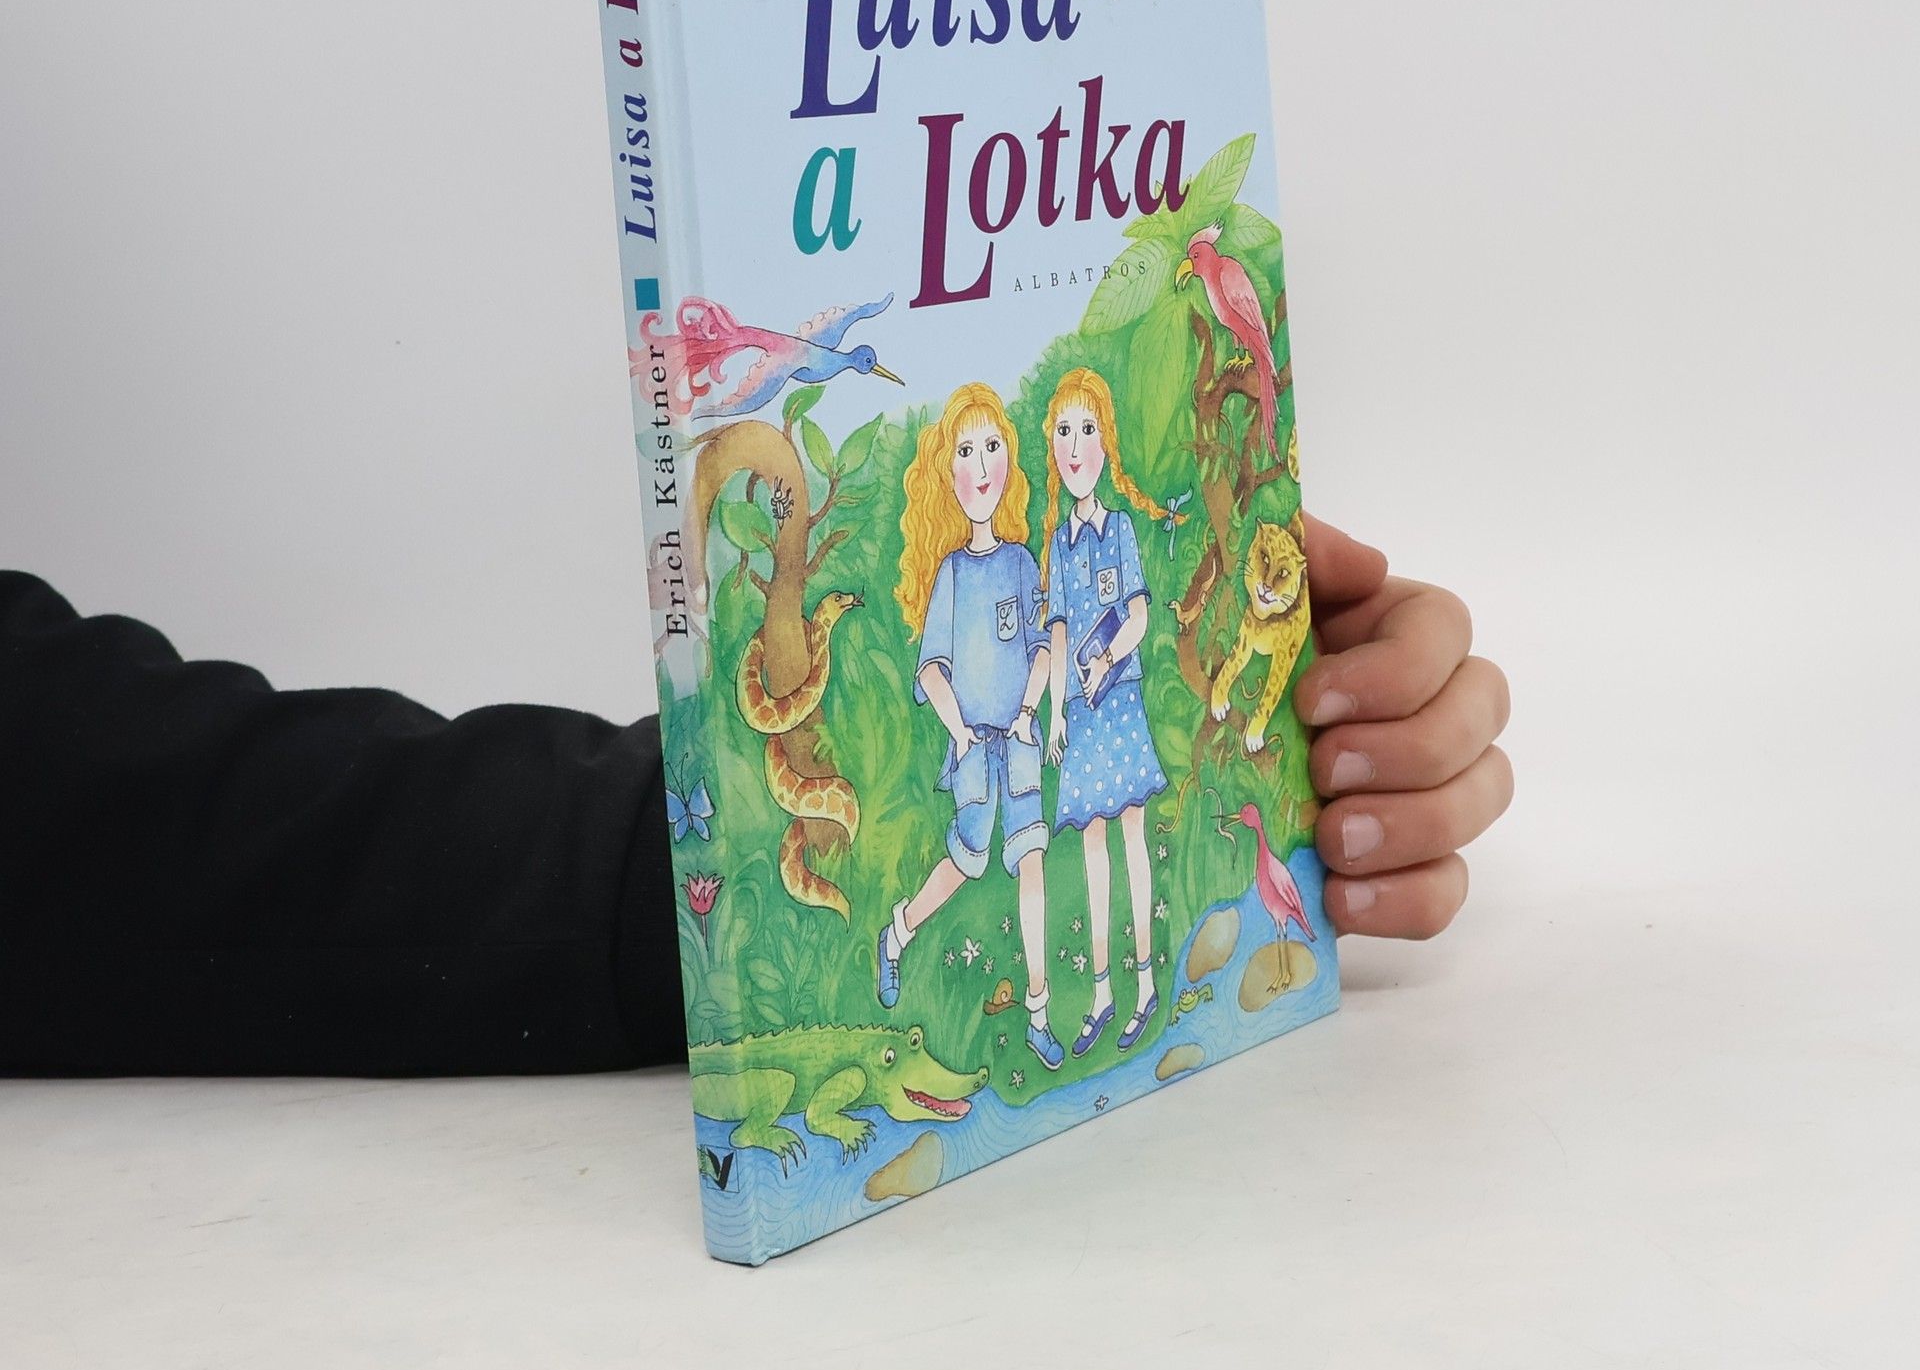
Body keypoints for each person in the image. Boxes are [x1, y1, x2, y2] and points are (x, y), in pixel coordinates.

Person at [0, 519, 1511, 1077]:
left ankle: (1058, 979)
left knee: (1066, 859)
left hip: (1045, 754)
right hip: (979, 758)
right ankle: (991, 966)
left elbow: (90, 807)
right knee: (991, 868)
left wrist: (1229, 707)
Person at [876, 383, 1062, 1070]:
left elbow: (1042, 649)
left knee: (1032, 863)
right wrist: (959, 734)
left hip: (1021, 744)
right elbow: (931, 670)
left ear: (1008, 461)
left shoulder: (1020, 562)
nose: (981, 466)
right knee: (965, 861)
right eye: (965, 451)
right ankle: (898, 933)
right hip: (975, 752)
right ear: (945, 472)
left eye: (991, 448)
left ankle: (1039, 1012)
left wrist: (1027, 712)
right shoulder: (952, 573)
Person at [1037, 367, 1180, 1057]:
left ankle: (1145, 984)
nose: (1074, 447)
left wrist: (1108, 661)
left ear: (1105, 443)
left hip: (1119, 702)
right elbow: (1059, 631)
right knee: (1091, 847)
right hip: (1083, 713)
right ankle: (1101, 994)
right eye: (1063, 432)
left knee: (1131, 836)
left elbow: (1140, 614)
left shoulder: (1117, 527)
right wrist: (1056, 711)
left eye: (1086, 430)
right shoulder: (1059, 543)